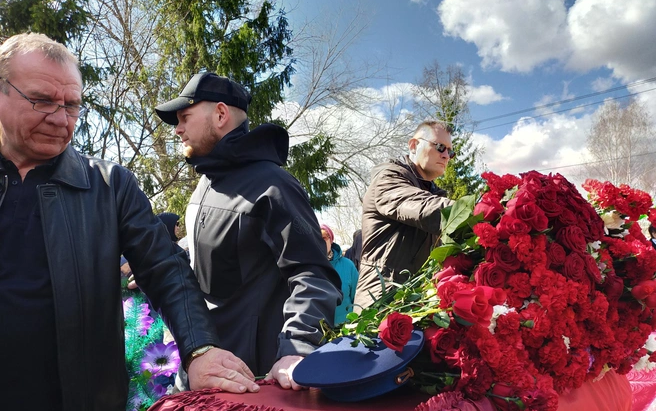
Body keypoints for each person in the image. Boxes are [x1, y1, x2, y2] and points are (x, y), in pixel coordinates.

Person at [0, 33, 258, 411]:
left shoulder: (109, 185)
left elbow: (167, 269)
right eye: (42, 101)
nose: (62, 119)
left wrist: (199, 348)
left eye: (73, 105)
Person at [155, 72, 342, 390]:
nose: (178, 129)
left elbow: (313, 274)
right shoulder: (204, 184)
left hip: (255, 384)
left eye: (185, 117)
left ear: (220, 114)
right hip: (200, 373)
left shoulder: (275, 186)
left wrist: (298, 347)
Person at [353, 120, 454, 310]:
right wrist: (481, 211)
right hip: (380, 299)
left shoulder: (435, 193)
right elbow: (424, 208)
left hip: (416, 300)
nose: (446, 156)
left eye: (451, 151)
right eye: (440, 147)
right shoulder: (388, 178)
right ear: (414, 145)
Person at [320, 224, 359, 325]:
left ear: (331, 240)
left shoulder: (348, 265)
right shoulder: (308, 267)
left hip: (344, 329)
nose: (319, 241)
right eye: (316, 237)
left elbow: (358, 298)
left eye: (323, 237)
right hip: (317, 331)